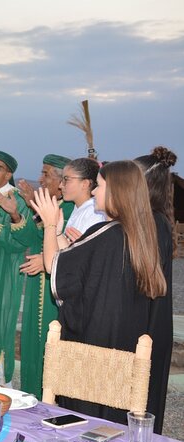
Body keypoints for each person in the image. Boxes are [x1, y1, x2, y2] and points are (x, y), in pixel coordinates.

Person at [32, 160, 166, 426]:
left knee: (85, 423)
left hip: (94, 353)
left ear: (117, 192)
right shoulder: (137, 234)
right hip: (122, 351)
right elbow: (74, 258)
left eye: (100, 186)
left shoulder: (108, 235)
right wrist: (59, 234)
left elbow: (54, 266)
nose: (94, 192)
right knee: (111, 425)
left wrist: (48, 226)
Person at [15, 154, 74, 399]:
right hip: (35, 291)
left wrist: (48, 260)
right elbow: (28, 239)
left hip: (56, 296)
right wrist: (18, 215)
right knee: (31, 349)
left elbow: (73, 248)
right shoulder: (47, 206)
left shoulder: (71, 209)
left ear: (62, 181)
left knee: (50, 351)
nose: (40, 179)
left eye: (46, 174)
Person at [135, 147, 177, 434]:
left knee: (142, 400)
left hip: (149, 322)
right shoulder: (154, 220)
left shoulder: (154, 224)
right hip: (149, 320)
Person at [0, 151, 31, 385]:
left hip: (5, 275)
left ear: (9, 173)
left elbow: (18, 242)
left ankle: (4, 384)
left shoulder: (16, 200)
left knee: (1, 327)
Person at [58, 157, 105, 246]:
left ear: (85, 184)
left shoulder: (94, 214)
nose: (60, 185)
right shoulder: (79, 208)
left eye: (66, 179)